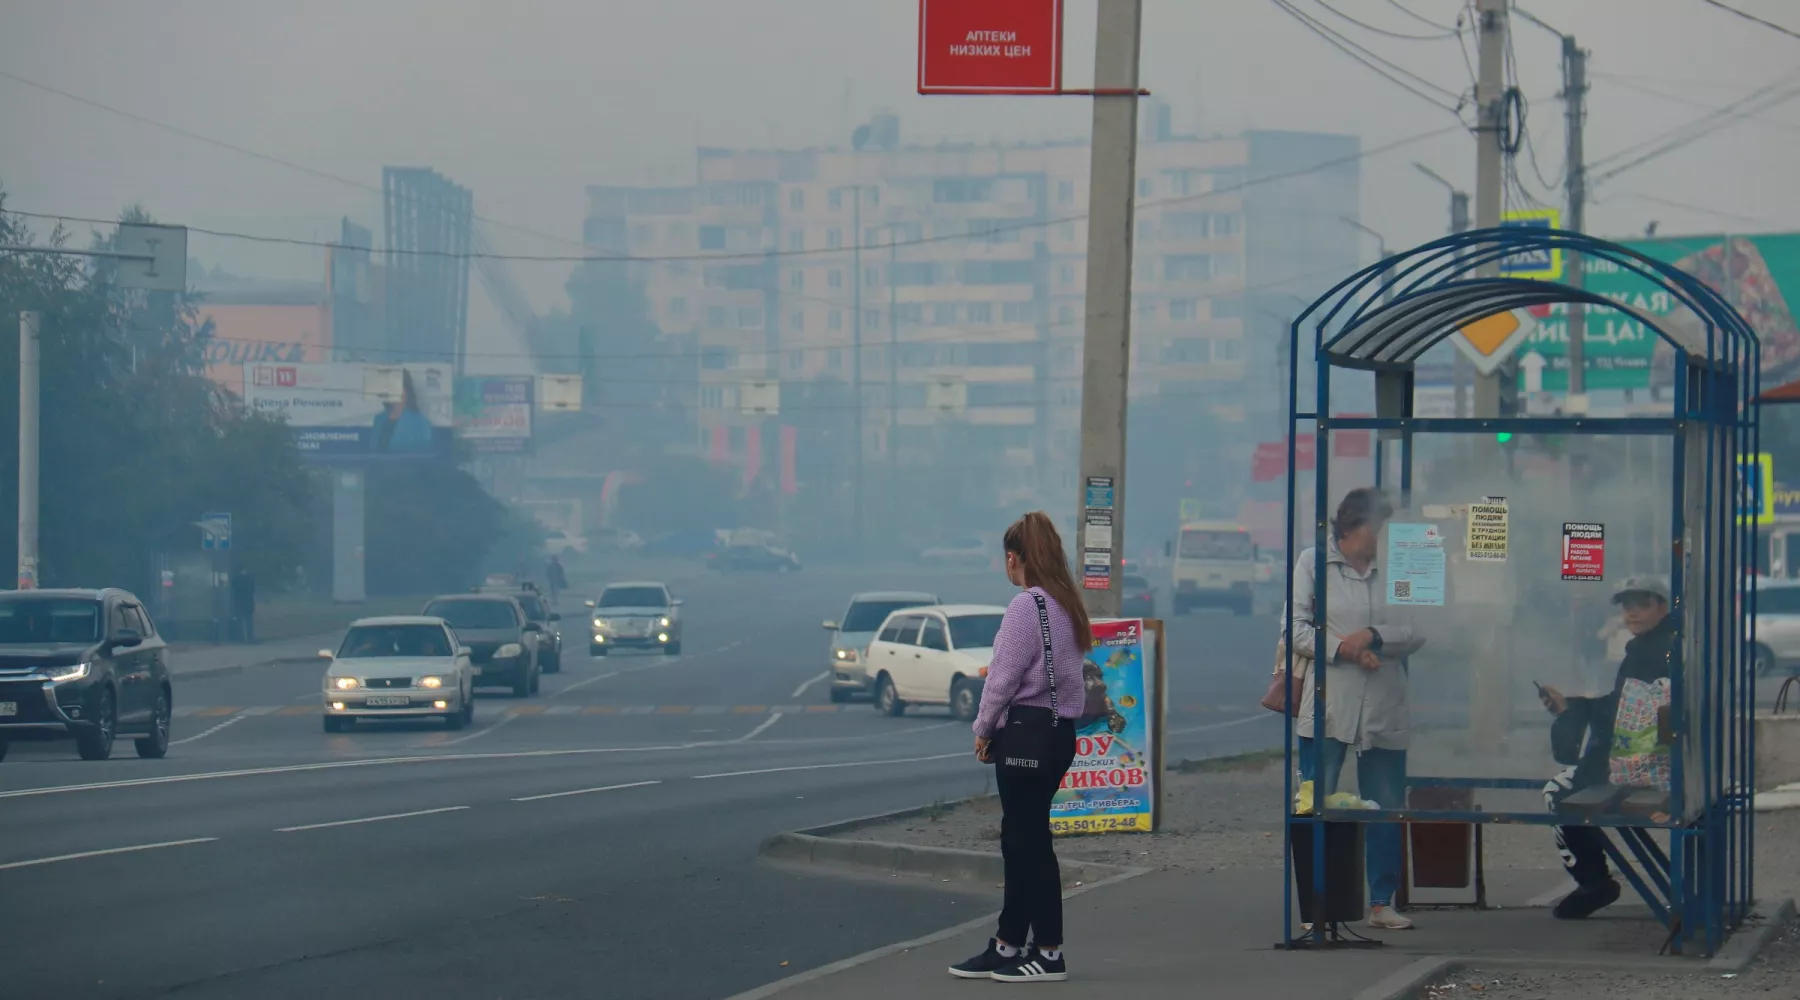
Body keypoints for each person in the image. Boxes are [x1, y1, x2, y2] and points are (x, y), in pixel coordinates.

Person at [951, 511, 1092, 984]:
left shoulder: (1025, 607)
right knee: (1021, 838)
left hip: (1027, 734)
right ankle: (1008, 943)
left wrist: (983, 727)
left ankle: (1048, 952)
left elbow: (1004, 676)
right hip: (1057, 736)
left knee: (1029, 843)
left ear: (1015, 559)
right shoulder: (1066, 602)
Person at [1283, 487, 1425, 930]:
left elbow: (1418, 625)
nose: (1383, 537)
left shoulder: (1401, 564)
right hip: (1330, 699)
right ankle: (1317, 904)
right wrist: (1344, 648)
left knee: (1385, 804)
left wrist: (1374, 636)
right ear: (1353, 528)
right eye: (1378, 527)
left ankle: (1382, 901)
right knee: (1315, 801)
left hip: (1384, 699)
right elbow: (1295, 629)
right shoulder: (1313, 562)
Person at [1538, 575, 1677, 920]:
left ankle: (1593, 882)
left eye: (1642, 604)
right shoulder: (1660, 643)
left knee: (1557, 791)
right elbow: (1623, 708)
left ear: (1662, 606)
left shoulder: (1654, 651)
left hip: (1648, 769)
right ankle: (1595, 880)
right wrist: (1571, 706)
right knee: (1571, 785)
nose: (1632, 612)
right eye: (1627, 605)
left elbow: (1626, 715)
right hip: (1660, 763)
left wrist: (1574, 709)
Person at [370, 369, 434, 454]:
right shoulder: (378, 419)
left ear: (406, 391)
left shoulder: (422, 423)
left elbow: (421, 458)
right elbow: (372, 451)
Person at [229, 567, 257, 645]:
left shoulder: (235, 580)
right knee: (249, 621)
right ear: (245, 570)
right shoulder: (250, 580)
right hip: (248, 603)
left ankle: (240, 637)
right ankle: (250, 637)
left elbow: (233, 591)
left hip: (239, 603)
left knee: (239, 621)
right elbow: (253, 590)